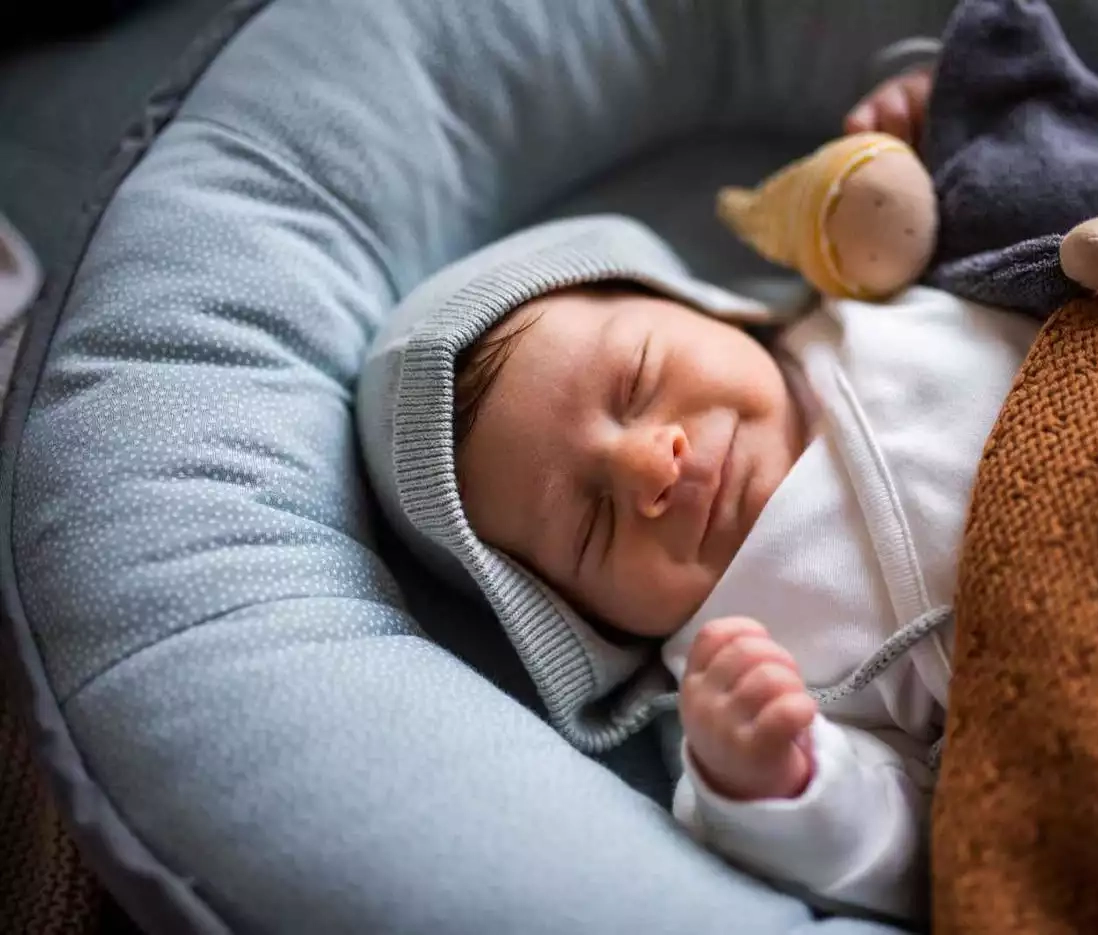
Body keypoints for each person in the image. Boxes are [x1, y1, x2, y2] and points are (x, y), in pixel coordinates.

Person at [358, 66, 1032, 924]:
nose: (649, 467)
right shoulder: (731, 668)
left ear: (706, 309)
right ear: (589, 624)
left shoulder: (871, 295)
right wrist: (779, 783)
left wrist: (934, 125)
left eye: (639, 380)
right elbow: (932, 835)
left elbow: (1045, 195)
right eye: (592, 523)